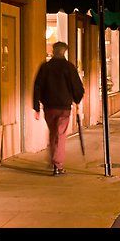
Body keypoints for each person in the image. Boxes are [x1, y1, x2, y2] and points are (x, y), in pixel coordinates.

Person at [33, 41, 85, 176]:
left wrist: (36, 107)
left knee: (53, 133)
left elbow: (37, 87)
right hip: (64, 107)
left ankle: (54, 161)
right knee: (60, 135)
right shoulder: (69, 67)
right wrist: (77, 100)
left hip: (49, 107)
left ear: (53, 51)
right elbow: (77, 87)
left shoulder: (45, 67)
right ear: (64, 51)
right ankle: (58, 164)